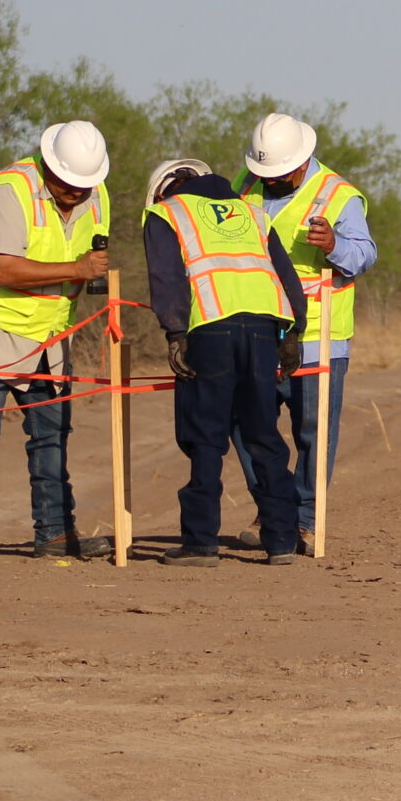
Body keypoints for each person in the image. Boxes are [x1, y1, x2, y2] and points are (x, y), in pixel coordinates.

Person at [0, 122, 114, 562]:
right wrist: (77, 269)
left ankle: (54, 532)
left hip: (49, 335)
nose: (76, 192)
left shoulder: (99, 196)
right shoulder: (9, 191)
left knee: (51, 434)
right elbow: (6, 270)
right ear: (48, 165)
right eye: (68, 183)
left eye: (84, 185)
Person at [142, 160, 309, 566]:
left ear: (164, 189)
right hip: (264, 329)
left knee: (205, 435)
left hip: (210, 328)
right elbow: (285, 275)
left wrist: (175, 332)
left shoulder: (166, 213)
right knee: (263, 433)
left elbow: (166, 278)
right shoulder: (251, 212)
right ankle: (282, 540)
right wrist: (293, 333)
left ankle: (200, 543)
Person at [227, 113, 379, 552]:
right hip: (256, 329)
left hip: (318, 336)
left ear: (304, 158)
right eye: (262, 172)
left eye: (278, 172)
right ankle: (273, 511)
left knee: (313, 432)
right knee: (246, 425)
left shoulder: (339, 195)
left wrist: (334, 246)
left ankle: (306, 521)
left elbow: (365, 255)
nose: (269, 180)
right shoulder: (246, 185)